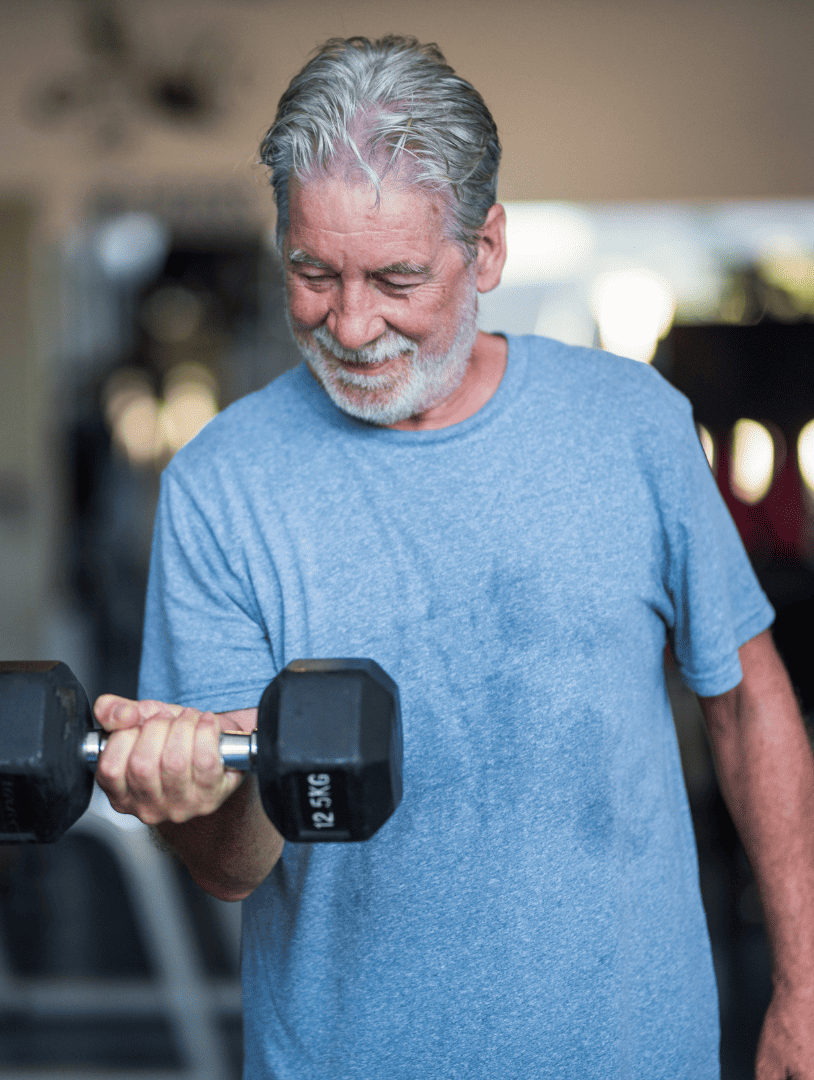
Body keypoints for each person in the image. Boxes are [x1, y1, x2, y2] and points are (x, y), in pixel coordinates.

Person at [92, 36, 814, 1079]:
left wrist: (802, 981)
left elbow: (746, 699)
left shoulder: (633, 426)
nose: (350, 323)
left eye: (395, 277)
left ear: (487, 250)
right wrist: (190, 796)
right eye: (312, 273)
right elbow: (235, 870)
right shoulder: (222, 484)